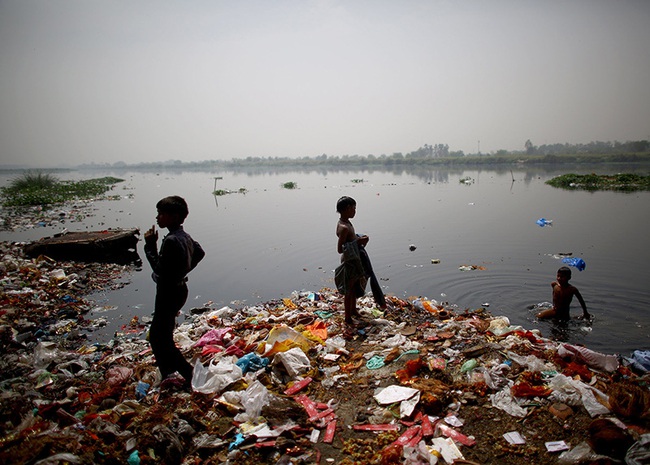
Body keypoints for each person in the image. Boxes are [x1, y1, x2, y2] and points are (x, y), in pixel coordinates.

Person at [144, 196, 205, 390]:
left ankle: (189, 374)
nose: (157, 218)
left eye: (161, 214)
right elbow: (199, 252)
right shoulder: (183, 235)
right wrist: (184, 269)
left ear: (174, 216)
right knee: (162, 333)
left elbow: (160, 270)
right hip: (179, 289)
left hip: (168, 292)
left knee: (158, 337)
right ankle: (167, 372)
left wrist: (149, 247)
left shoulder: (171, 240)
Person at [335, 196, 386, 325]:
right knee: (349, 289)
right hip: (349, 262)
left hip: (355, 259)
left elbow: (350, 240)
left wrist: (359, 238)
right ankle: (347, 317)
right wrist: (357, 241)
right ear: (347, 209)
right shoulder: (344, 227)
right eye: (353, 208)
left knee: (355, 287)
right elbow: (340, 249)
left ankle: (353, 310)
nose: (355, 211)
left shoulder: (347, 222)